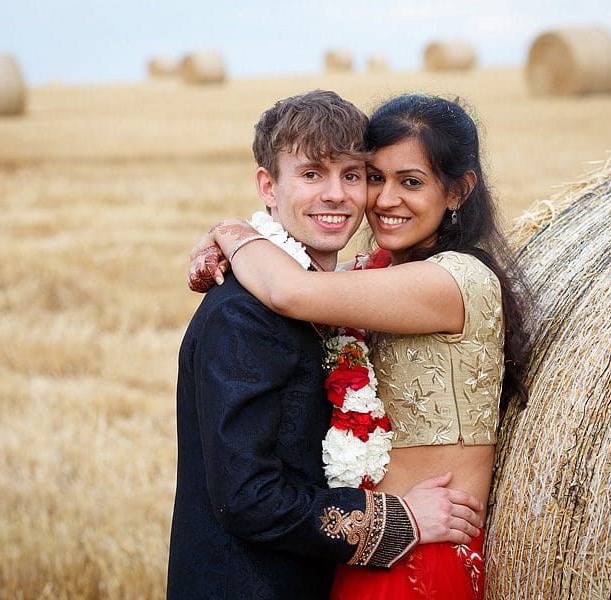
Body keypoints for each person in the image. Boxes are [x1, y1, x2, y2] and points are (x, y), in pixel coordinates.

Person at [189, 93, 530, 599]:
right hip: (377, 544)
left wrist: (231, 232)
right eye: (375, 177)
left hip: (421, 551)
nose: (385, 200)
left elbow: (293, 289)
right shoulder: (377, 276)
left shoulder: (454, 281)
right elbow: (303, 275)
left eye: (410, 182)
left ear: (457, 191)